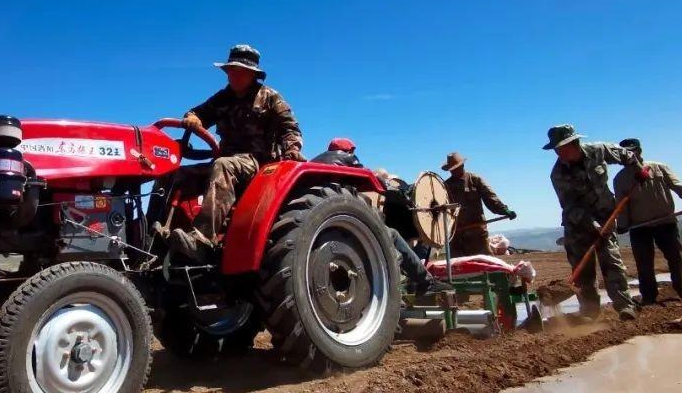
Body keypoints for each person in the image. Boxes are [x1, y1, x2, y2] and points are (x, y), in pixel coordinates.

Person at [166, 44, 304, 262]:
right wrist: (193, 117)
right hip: (226, 159)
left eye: (241, 71)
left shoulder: (270, 97)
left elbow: (290, 128)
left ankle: (201, 240)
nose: (235, 75)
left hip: (258, 163)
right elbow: (197, 113)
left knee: (223, 166)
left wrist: (292, 150)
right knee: (175, 175)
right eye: (231, 70)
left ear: (253, 74)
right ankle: (156, 234)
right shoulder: (222, 98)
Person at [312, 139, 454, 296]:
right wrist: (399, 192)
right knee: (391, 235)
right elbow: (372, 179)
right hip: (341, 214)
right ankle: (424, 282)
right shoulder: (347, 158)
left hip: (319, 217)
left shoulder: (316, 162)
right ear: (349, 150)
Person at [545, 124, 645, 321]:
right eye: (556, 150)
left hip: (606, 216)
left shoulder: (598, 150)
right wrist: (590, 224)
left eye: (563, 148)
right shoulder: (558, 174)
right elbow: (569, 205)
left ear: (575, 143)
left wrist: (637, 170)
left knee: (612, 262)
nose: (559, 153)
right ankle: (590, 312)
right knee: (583, 272)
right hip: (577, 224)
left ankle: (625, 307)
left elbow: (626, 155)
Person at [614, 138, 682, 304]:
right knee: (644, 264)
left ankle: (680, 287)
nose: (627, 156)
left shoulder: (659, 168)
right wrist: (623, 225)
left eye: (631, 152)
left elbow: (679, 187)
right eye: (623, 154)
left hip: (665, 222)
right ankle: (648, 296)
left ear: (640, 151)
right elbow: (622, 205)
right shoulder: (620, 179)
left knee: (676, 257)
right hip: (640, 228)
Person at [442, 152, 516, 257]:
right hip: (456, 236)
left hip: (477, 234)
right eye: (451, 169)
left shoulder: (475, 180)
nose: (453, 171)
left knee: (485, 265)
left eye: (456, 168)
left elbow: (491, 199)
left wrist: (504, 210)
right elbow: (441, 209)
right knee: (458, 268)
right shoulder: (445, 186)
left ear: (462, 165)